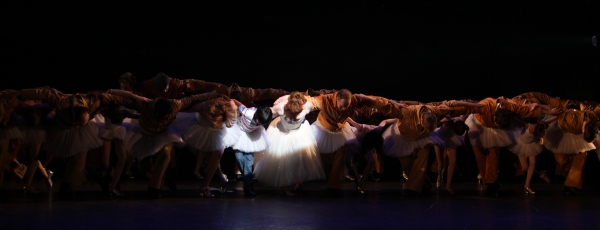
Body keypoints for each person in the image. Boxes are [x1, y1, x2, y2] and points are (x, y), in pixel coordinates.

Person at [7, 88, 134, 198]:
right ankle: (95, 176)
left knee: (79, 157)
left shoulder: (92, 101)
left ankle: (68, 185)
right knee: (60, 154)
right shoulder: (63, 102)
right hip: (60, 128)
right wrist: (18, 93)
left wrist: (137, 100)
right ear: (74, 113)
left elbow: (114, 97)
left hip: (79, 131)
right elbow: (42, 93)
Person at [107, 88, 218, 198]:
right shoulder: (144, 105)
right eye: (161, 117)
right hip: (146, 133)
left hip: (163, 133)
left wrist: (216, 92)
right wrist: (119, 93)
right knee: (143, 167)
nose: (163, 119)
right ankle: (163, 178)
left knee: (165, 153)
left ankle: (154, 188)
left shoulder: (176, 104)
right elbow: (117, 96)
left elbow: (195, 98)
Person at [304, 89, 396, 195]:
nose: (343, 109)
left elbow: (375, 99)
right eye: (341, 106)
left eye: (346, 106)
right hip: (328, 129)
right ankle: (300, 182)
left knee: (344, 156)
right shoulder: (325, 100)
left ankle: (337, 186)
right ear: (337, 99)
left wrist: (395, 104)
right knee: (311, 151)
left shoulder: (354, 102)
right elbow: (307, 100)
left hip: (344, 134)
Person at [254, 92, 325, 196]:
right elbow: (267, 114)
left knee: (300, 159)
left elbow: (320, 103)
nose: (294, 114)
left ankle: (298, 182)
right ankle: (284, 186)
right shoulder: (280, 107)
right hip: (282, 132)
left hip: (299, 132)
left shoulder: (308, 105)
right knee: (284, 161)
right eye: (291, 111)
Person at [171, 96, 238, 197]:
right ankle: (218, 180)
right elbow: (185, 107)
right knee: (210, 157)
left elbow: (231, 117)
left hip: (217, 131)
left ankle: (207, 184)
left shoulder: (230, 106)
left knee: (218, 153)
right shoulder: (203, 106)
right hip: (202, 129)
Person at [230, 99, 272, 197]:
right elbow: (235, 102)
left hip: (251, 136)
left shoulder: (265, 115)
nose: (260, 124)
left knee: (248, 162)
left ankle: (248, 188)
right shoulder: (247, 112)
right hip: (240, 133)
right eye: (259, 121)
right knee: (239, 158)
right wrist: (231, 104)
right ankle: (247, 178)